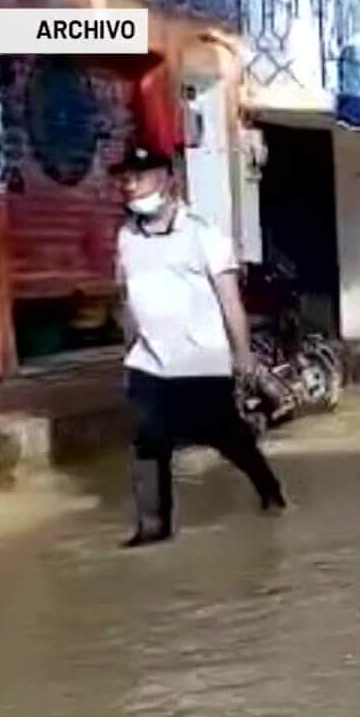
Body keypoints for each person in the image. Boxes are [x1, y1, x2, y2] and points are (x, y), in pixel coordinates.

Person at [110, 145, 285, 548]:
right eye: (126, 178)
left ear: (168, 180)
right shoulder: (126, 237)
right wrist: (129, 349)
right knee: (148, 438)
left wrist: (243, 355)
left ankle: (267, 486)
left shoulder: (204, 233)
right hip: (149, 361)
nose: (131, 185)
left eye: (141, 175)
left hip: (201, 361)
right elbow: (126, 297)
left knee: (225, 435)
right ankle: (153, 529)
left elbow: (229, 300)